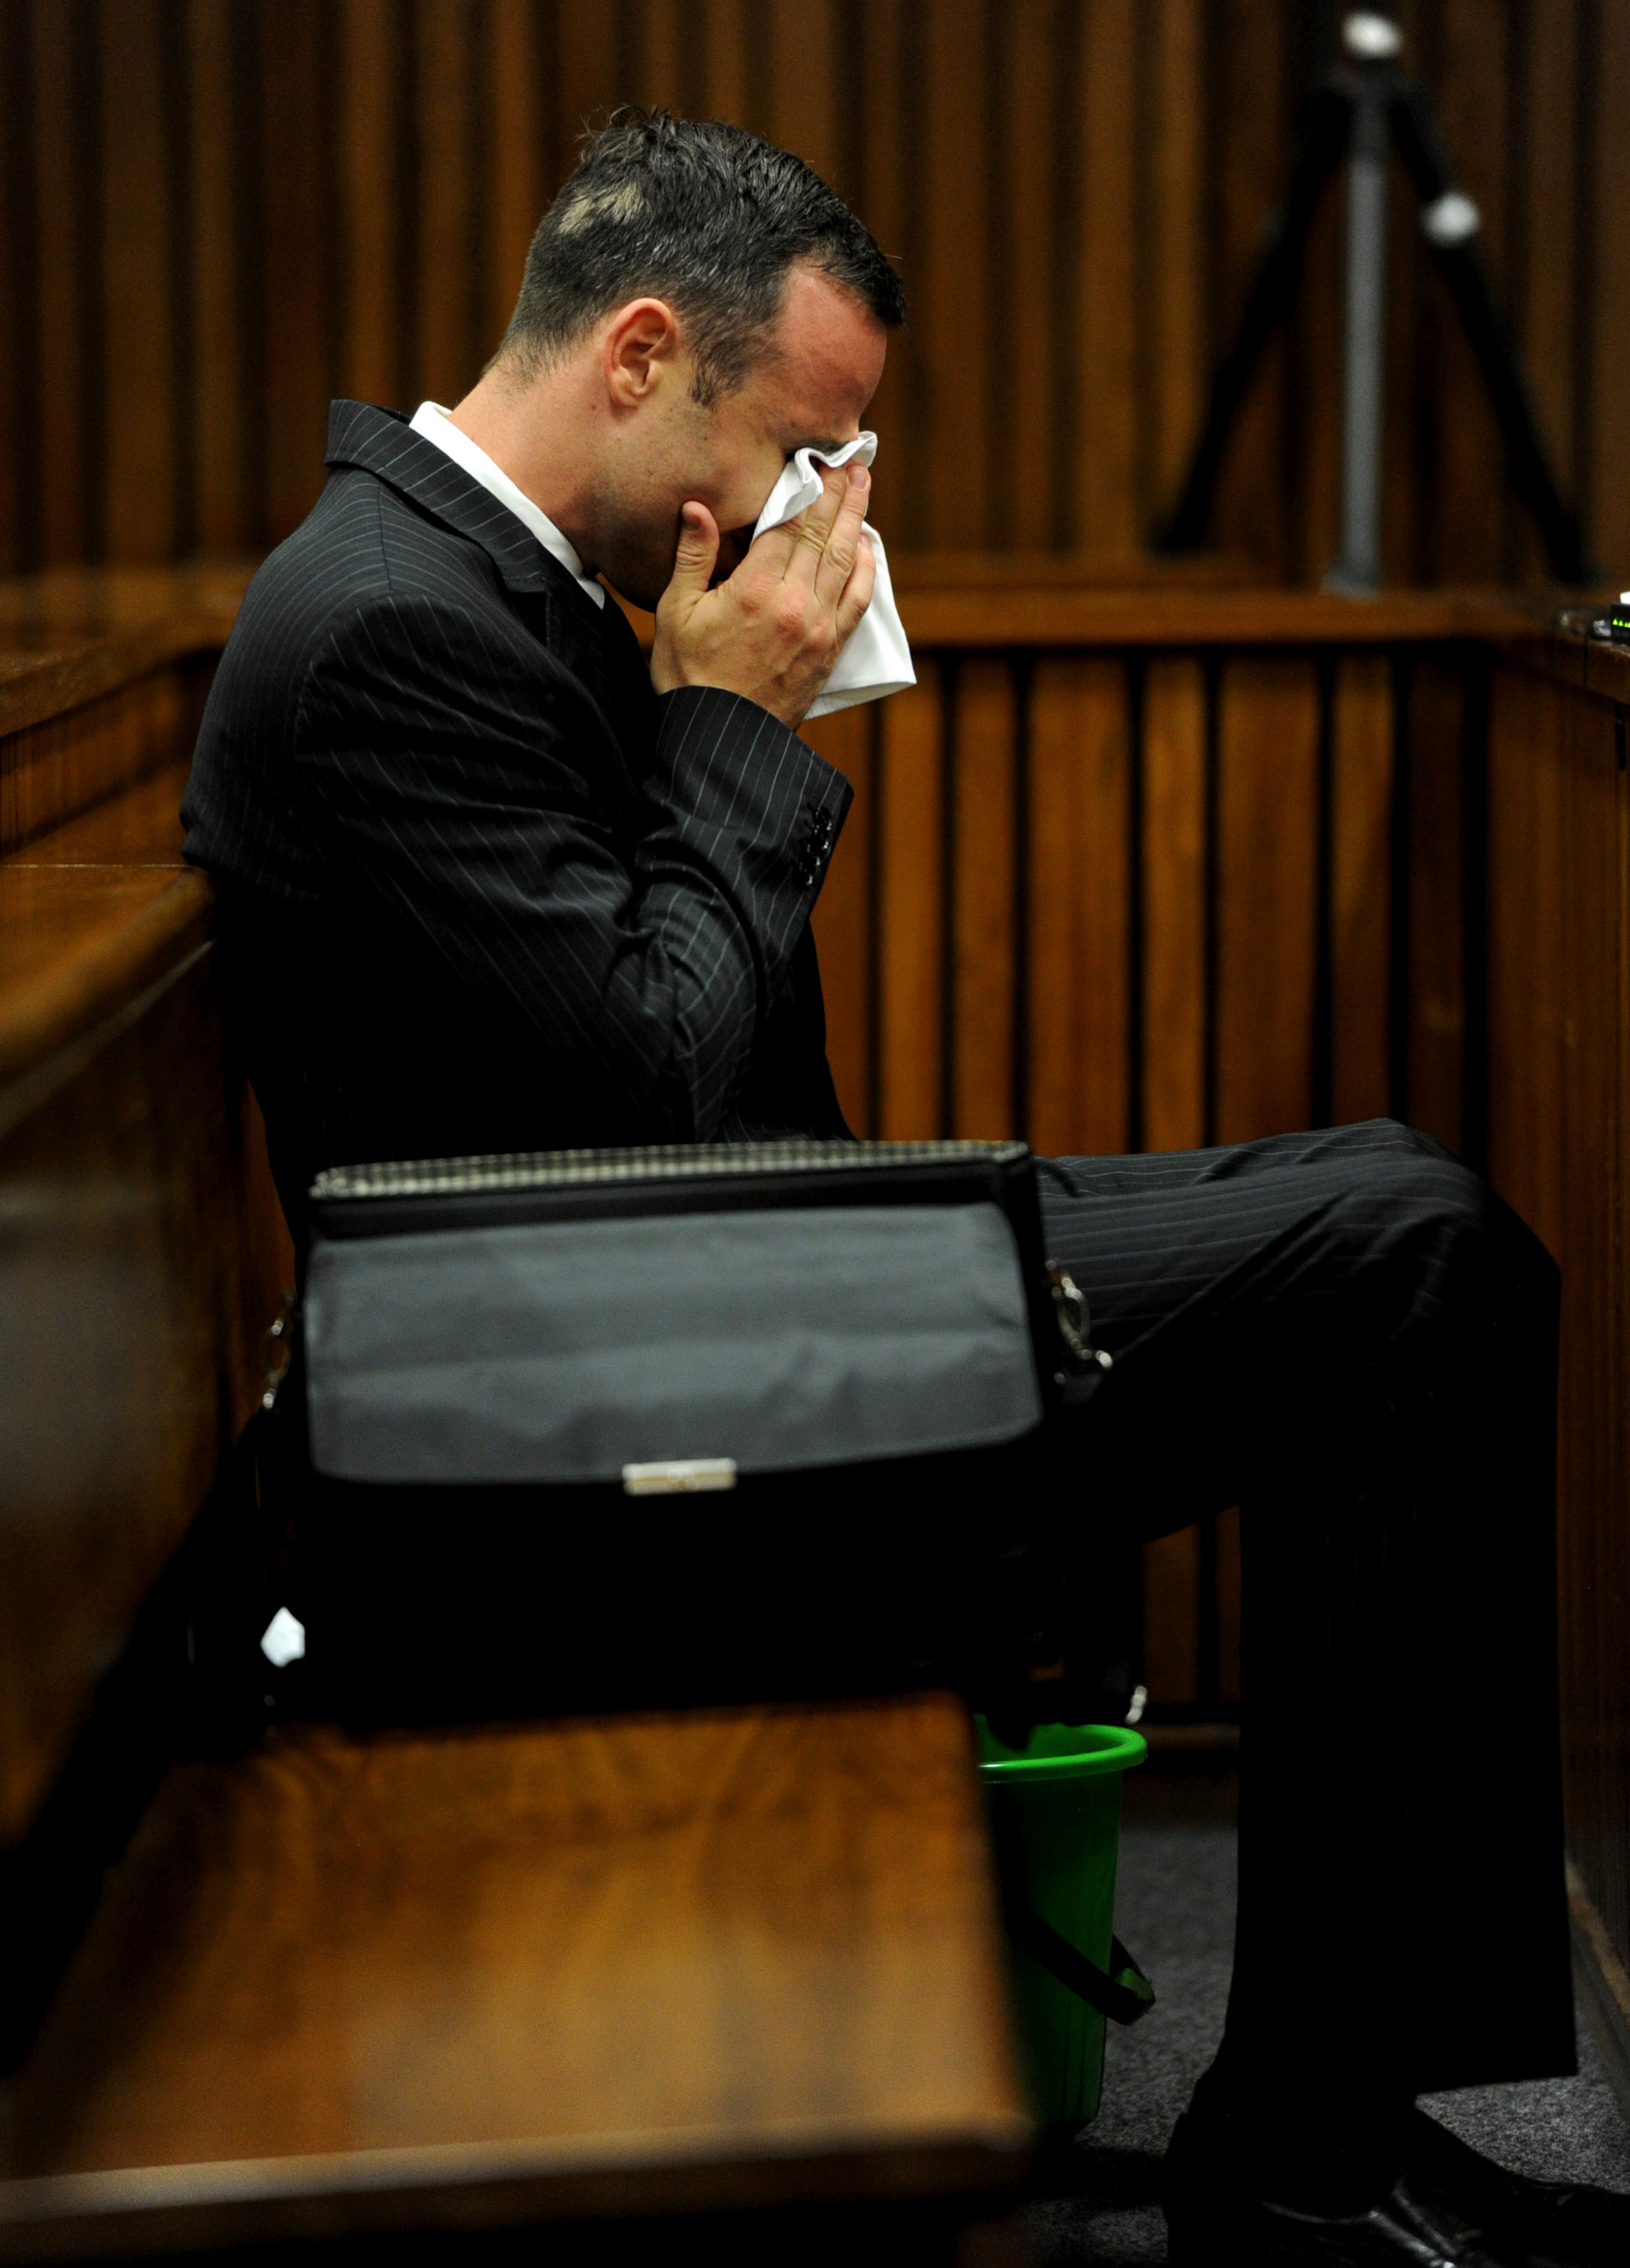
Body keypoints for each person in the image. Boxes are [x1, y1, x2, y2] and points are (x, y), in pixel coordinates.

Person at [181, 111, 1626, 2268]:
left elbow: (665, 1065)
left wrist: (720, 719)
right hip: (596, 1421)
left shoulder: (528, 577)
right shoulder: (394, 626)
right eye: (800, 452)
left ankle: (1323, 2111)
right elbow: (657, 1104)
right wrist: (741, 728)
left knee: (1397, 1196)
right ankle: (1307, 2153)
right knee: (1408, 1263)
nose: (809, 520)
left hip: (716, 1299)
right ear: (643, 350)